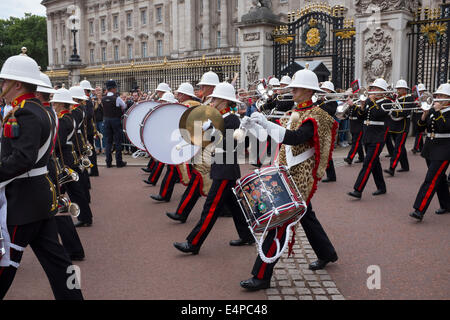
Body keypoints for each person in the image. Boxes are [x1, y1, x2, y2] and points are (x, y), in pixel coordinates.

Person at [239, 67, 338, 291]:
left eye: (296, 87)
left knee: (278, 223)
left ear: (307, 90)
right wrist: (254, 125)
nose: (291, 90)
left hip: (301, 177)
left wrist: (265, 123)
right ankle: (327, 253)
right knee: (307, 216)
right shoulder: (295, 111)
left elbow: (294, 138)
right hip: (287, 173)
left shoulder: (317, 115)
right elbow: (273, 138)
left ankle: (262, 276)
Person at [0, 50, 83, 300]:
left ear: (16, 84)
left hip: (23, 200)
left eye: (4, 81)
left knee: (6, 263)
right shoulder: (39, 109)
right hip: (40, 197)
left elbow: (23, 159)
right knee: (59, 263)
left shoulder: (25, 112)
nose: (1, 85)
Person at [173, 82, 253, 254]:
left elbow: (229, 146)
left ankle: (193, 243)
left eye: (216, 98)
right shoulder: (221, 118)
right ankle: (247, 235)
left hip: (225, 168)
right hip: (221, 166)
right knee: (235, 206)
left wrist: (211, 132)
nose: (212, 100)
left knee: (210, 208)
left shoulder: (232, 119)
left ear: (224, 101)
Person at [50, 88, 89, 254]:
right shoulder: (68, 116)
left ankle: (85, 216)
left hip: (65, 158)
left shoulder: (64, 119)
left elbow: (58, 142)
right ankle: (85, 216)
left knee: (72, 191)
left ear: (59, 103)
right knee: (74, 190)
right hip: (70, 154)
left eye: (55, 102)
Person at [410, 82, 450, 221]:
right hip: (431, 148)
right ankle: (446, 205)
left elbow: (445, 127)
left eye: (442, 96)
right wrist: (424, 114)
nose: (438, 98)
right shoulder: (433, 110)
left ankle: (419, 209)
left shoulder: (445, 112)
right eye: (437, 95)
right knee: (440, 178)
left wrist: (438, 112)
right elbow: (419, 129)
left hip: (445, 149)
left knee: (431, 179)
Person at [348, 79, 391, 199]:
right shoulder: (368, 101)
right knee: (374, 163)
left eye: (375, 89)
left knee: (367, 163)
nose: (372, 91)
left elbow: (378, 113)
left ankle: (358, 189)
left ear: (382, 91)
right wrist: (361, 106)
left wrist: (370, 101)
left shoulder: (387, 102)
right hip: (367, 135)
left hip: (378, 136)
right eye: (372, 88)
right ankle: (381, 187)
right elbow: (361, 116)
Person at [384, 79, 412, 177]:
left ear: (405, 89)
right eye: (397, 88)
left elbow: (405, 112)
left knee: (398, 148)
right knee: (400, 146)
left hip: (403, 125)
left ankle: (392, 167)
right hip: (394, 125)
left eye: (400, 89)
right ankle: (405, 166)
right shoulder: (395, 98)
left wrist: (393, 112)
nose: (398, 90)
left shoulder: (409, 98)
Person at [102, 80, 127, 168]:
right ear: (113, 88)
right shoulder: (117, 98)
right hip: (115, 120)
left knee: (108, 142)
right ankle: (119, 162)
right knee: (117, 141)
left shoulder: (103, 98)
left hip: (106, 120)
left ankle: (108, 162)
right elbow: (124, 106)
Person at [318, 81, 338, 183]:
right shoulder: (319, 100)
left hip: (328, 129)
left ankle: (331, 175)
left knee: (326, 152)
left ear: (330, 91)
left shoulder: (333, 101)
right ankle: (331, 175)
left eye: (325, 90)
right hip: (319, 127)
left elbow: (328, 112)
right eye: (323, 89)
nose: (323, 91)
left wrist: (320, 102)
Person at [80, 80, 99, 177]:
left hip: (88, 130)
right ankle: (90, 169)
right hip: (86, 129)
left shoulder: (87, 101)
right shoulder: (85, 100)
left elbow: (89, 114)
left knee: (90, 150)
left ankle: (94, 170)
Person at [344, 90, 365, 165]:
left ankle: (350, 158)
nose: (347, 99)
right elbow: (348, 114)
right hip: (353, 125)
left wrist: (352, 105)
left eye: (349, 97)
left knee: (355, 143)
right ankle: (362, 157)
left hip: (359, 126)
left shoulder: (358, 103)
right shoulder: (350, 105)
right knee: (357, 143)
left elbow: (360, 114)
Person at [411, 83, 427, 154]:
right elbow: (413, 105)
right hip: (416, 115)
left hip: (421, 115)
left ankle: (415, 148)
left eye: (422, 91)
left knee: (419, 132)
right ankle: (421, 148)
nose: (421, 92)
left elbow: (426, 107)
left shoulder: (426, 97)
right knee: (417, 131)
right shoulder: (417, 98)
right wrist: (415, 103)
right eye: (420, 91)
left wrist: (420, 104)